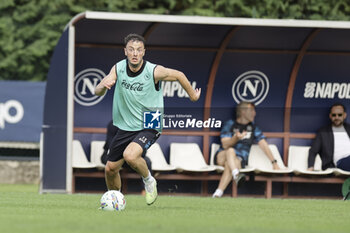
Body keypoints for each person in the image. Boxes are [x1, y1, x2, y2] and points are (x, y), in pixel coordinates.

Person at [95, 33, 201, 205]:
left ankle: (149, 181)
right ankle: (114, 202)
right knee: (110, 168)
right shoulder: (118, 68)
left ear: (144, 52)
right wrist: (102, 85)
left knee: (130, 156)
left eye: (138, 50)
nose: (135, 53)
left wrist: (193, 96)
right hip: (126, 125)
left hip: (150, 121)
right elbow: (98, 90)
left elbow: (179, 75)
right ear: (125, 52)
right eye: (131, 50)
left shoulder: (154, 71)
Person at [212, 101, 280, 198]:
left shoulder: (253, 128)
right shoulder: (230, 124)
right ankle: (236, 174)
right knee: (231, 151)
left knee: (230, 164)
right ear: (243, 111)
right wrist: (236, 138)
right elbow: (225, 144)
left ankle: (218, 193)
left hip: (239, 159)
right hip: (222, 155)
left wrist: (274, 162)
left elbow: (264, 145)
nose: (254, 113)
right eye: (251, 110)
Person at [308, 103, 350, 171]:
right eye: (334, 115)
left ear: (344, 115)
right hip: (339, 162)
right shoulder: (323, 132)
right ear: (330, 116)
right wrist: (310, 166)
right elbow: (313, 151)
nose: (337, 117)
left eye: (340, 115)